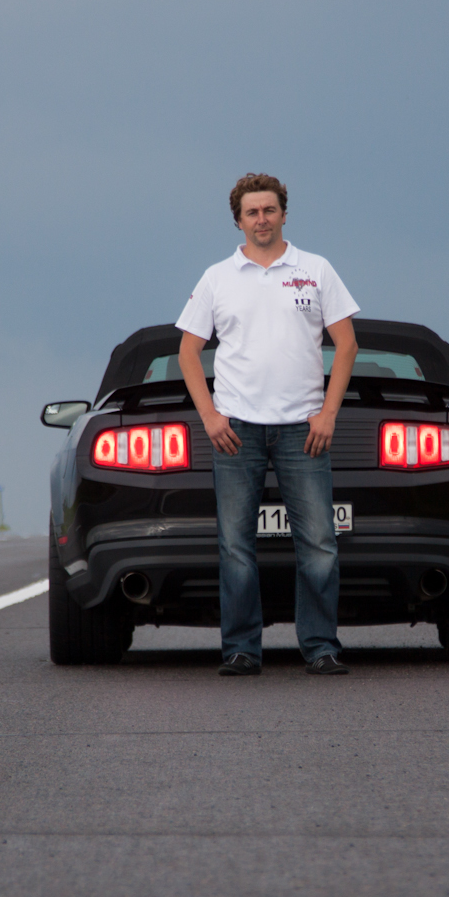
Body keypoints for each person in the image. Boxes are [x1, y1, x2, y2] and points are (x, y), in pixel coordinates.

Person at [175, 173, 360, 676]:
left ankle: (321, 647)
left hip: (304, 430)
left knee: (319, 545)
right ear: (238, 220)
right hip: (236, 432)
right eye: (252, 212)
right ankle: (241, 650)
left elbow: (347, 344)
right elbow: (188, 352)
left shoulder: (316, 269)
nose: (262, 219)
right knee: (236, 547)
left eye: (270, 210)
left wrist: (328, 413)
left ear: (284, 214)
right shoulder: (217, 278)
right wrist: (210, 416)